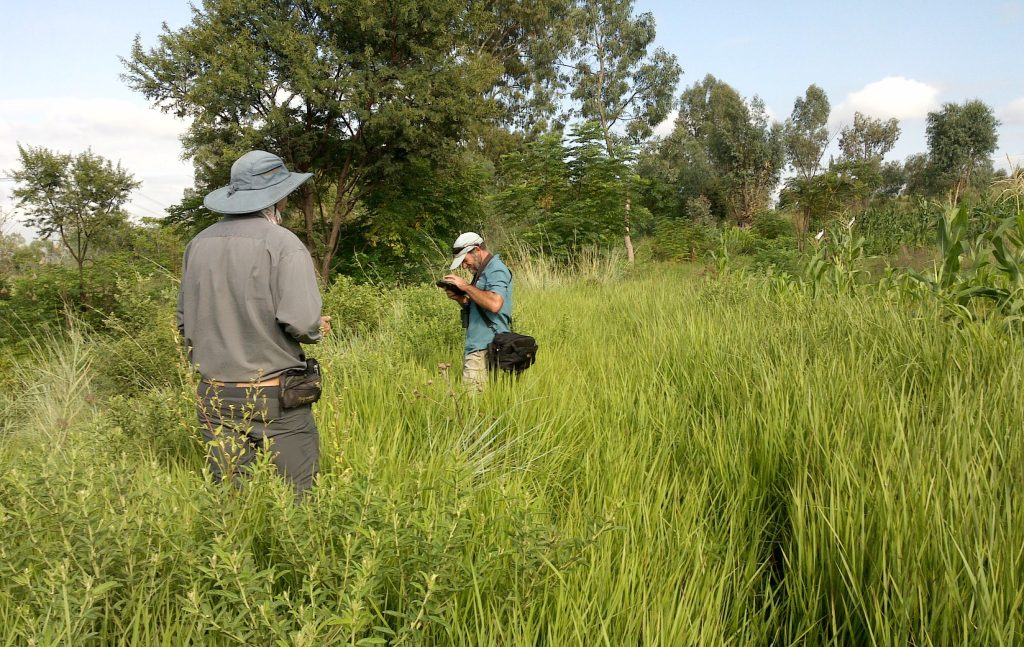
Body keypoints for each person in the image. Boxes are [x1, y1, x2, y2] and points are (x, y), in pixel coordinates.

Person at [176, 150, 331, 496]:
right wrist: (316, 326)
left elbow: (185, 324)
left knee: (233, 504)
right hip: (275, 396)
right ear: (276, 197)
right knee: (298, 501)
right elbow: (303, 323)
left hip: (214, 395)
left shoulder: (197, 244)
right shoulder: (284, 243)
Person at [442, 232, 513, 391]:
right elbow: (480, 307)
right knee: (487, 399)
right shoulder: (483, 272)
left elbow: (495, 304)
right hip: (483, 345)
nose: (464, 266)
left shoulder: (496, 269)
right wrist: (460, 299)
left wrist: (465, 286)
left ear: (476, 250)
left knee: (471, 400)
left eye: (464, 260)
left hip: (485, 347)